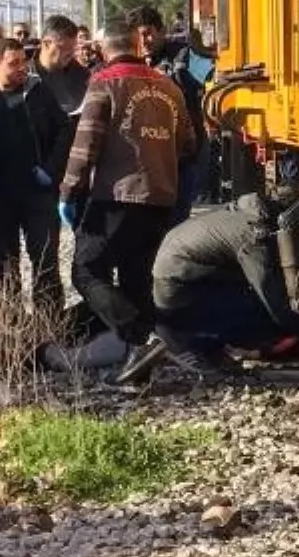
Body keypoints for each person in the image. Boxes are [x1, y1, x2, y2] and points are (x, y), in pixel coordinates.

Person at [58, 19, 196, 382]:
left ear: (104, 50)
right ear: (137, 45)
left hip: (116, 195)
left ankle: (141, 337)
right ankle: (139, 368)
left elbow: (86, 144)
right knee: (137, 277)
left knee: (87, 272)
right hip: (161, 195)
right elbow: (188, 144)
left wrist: (69, 191)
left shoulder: (104, 84)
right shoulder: (170, 87)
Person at [122, 187, 299, 383]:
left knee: (247, 299)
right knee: (259, 311)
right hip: (181, 294)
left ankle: (194, 344)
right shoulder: (253, 234)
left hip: (174, 288)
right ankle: (185, 343)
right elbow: (274, 303)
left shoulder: (239, 213)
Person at [0, 37, 70, 307]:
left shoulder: (38, 92)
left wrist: (50, 169)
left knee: (45, 260)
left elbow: (65, 131)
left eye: (24, 61)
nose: (22, 68)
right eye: (14, 63)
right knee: (4, 265)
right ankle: (12, 329)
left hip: (38, 192)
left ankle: (48, 328)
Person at [128, 5, 205, 223]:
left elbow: (209, 79)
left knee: (176, 224)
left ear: (161, 31)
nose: (144, 41)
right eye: (138, 36)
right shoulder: (128, 62)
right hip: (141, 162)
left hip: (180, 157)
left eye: (148, 33)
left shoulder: (184, 56)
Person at [32, 15, 90, 115]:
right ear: (46, 44)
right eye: (64, 47)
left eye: (73, 48)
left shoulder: (81, 75)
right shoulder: (25, 77)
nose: (70, 53)